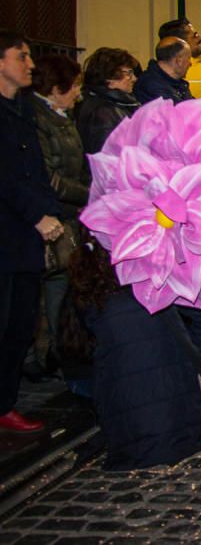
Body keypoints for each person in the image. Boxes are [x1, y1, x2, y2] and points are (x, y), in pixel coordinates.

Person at [70, 239, 201, 469]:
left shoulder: (88, 291)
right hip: (185, 425)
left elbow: (78, 347)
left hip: (129, 431)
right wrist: (188, 358)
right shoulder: (155, 278)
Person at [0, 30, 64, 433]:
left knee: (20, 324)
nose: (31, 64)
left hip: (25, 236)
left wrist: (49, 212)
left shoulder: (23, 109)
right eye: (21, 57)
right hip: (7, 231)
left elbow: (36, 170)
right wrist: (36, 214)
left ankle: (5, 402)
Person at [28, 54, 89, 380]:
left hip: (67, 217)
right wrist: (88, 193)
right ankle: (40, 357)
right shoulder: (38, 119)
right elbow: (48, 176)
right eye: (74, 85)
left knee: (61, 287)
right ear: (56, 87)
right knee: (44, 291)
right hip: (48, 218)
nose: (78, 91)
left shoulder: (63, 117)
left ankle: (57, 352)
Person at [76, 47, 141, 154]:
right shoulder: (101, 112)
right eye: (128, 73)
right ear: (109, 77)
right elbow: (107, 157)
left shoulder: (118, 103)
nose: (134, 78)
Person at [133, 37, 192, 104]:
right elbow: (180, 112)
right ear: (179, 60)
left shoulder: (179, 84)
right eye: (188, 58)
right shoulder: (150, 85)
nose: (190, 63)